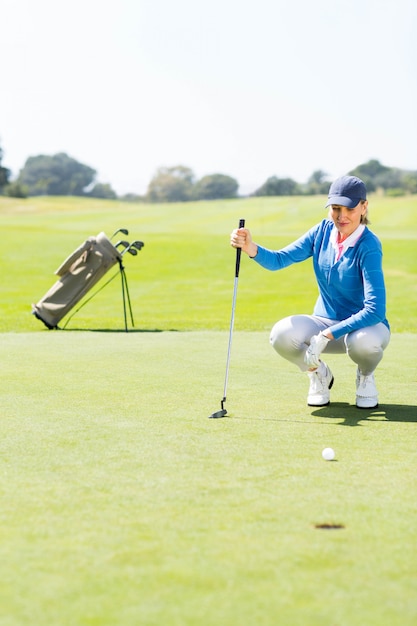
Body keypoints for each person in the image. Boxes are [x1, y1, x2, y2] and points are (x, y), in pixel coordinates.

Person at [230, 175, 390, 409]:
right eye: (336, 208)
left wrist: (328, 334)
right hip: (324, 321)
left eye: (350, 208)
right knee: (282, 334)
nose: (342, 216)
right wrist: (250, 247)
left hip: (365, 329)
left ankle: (365, 376)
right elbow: (279, 260)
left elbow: (375, 310)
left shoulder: (369, 245)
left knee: (364, 343)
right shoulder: (322, 231)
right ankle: (318, 374)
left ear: (364, 207)